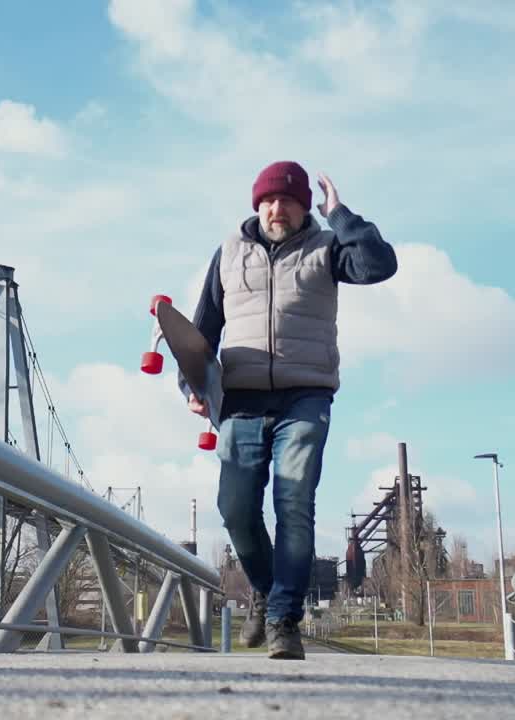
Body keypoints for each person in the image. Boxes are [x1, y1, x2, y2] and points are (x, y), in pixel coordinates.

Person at [183, 160, 398, 659]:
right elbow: (200, 334)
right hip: (240, 399)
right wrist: (191, 386)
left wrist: (340, 214)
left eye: (289, 200)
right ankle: (265, 590)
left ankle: (284, 619)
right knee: (235, 509)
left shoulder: (328, 249)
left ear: (305, 207)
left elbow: (379, 265)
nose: (277, 209)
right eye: (268, 200)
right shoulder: (228, 254)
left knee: (294, 502)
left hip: (306, 395)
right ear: (256, 204)